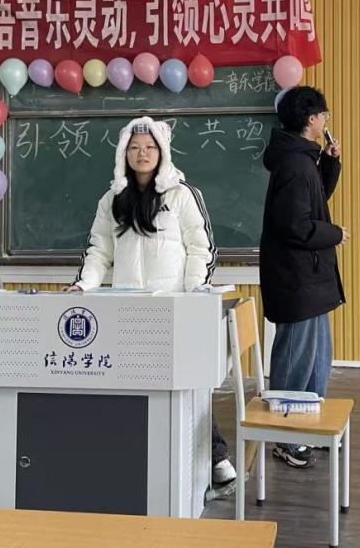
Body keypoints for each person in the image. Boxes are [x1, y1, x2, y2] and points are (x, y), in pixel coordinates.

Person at [66, 116, 237, 485]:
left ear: (162, 152)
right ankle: (138, 458)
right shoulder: (112, 200)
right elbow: (99, 251)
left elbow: (201, 247)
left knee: (187, 384)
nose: (142, 154)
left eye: (149, 147)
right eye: (134, 148)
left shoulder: (182, 194)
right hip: (128, 310)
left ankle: (215, 457)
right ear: (123, 154)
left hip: (175, 309)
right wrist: (84, 286)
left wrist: (194, 290)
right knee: (132, 385)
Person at [260, 86, 348, 468]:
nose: (326, 120)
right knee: (296, 359)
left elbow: (314, 202)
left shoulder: (303, 160)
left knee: (316, 359)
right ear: (312, 119)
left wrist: (330, 165)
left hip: (309, 280)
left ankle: (310, 427)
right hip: (297, 280)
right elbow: (295, 226)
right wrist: (335, 234)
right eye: (324, 114)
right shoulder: (295, 165)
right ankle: (285, 435)